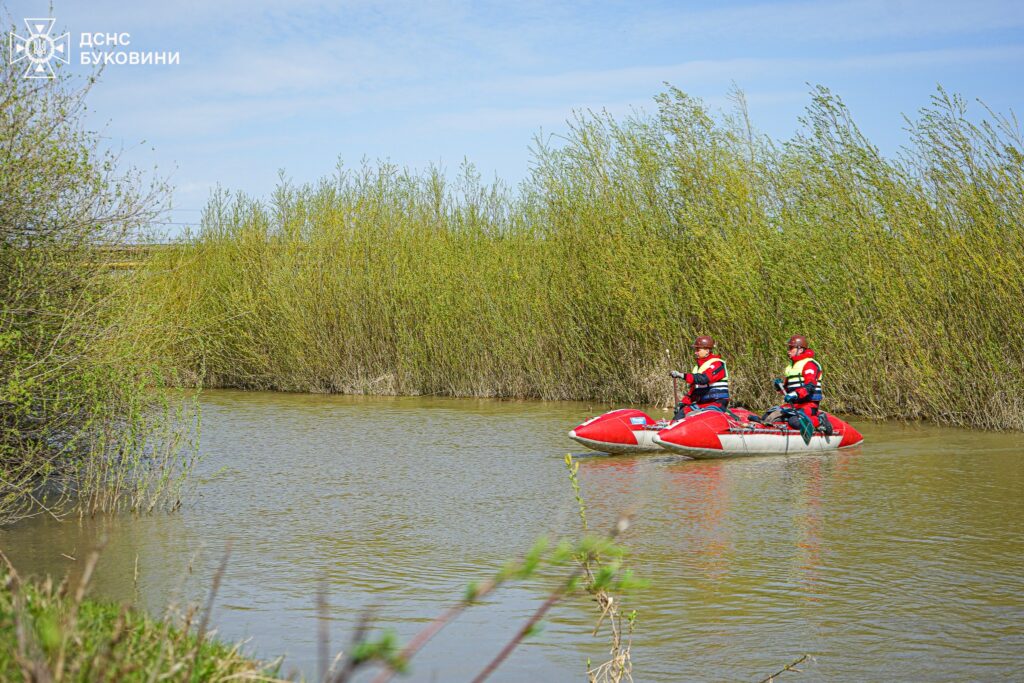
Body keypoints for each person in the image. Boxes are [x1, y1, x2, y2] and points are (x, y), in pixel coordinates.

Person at [757, 334, 833, 434]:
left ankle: (820, 420)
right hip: (794, 405)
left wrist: (795, 394)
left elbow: (810, 387)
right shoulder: (791, 366)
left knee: (795, 422)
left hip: (809, 405)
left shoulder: (810, 364)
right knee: (767, 416)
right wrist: (779, 387)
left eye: (791, 348)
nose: (788, 351)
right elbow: (786, 390)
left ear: (800, 349)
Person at [669, 336, 729, 420]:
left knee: (700, 417)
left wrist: (682, 375)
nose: (695, 352)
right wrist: (683, 403)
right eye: (695, 350)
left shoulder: (717, 364)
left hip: (717, 403)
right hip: (701, 404)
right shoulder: (697, 367)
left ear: (707, 350)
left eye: (698, 350)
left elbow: (703, 379)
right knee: (679, 415)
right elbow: (693, 391)